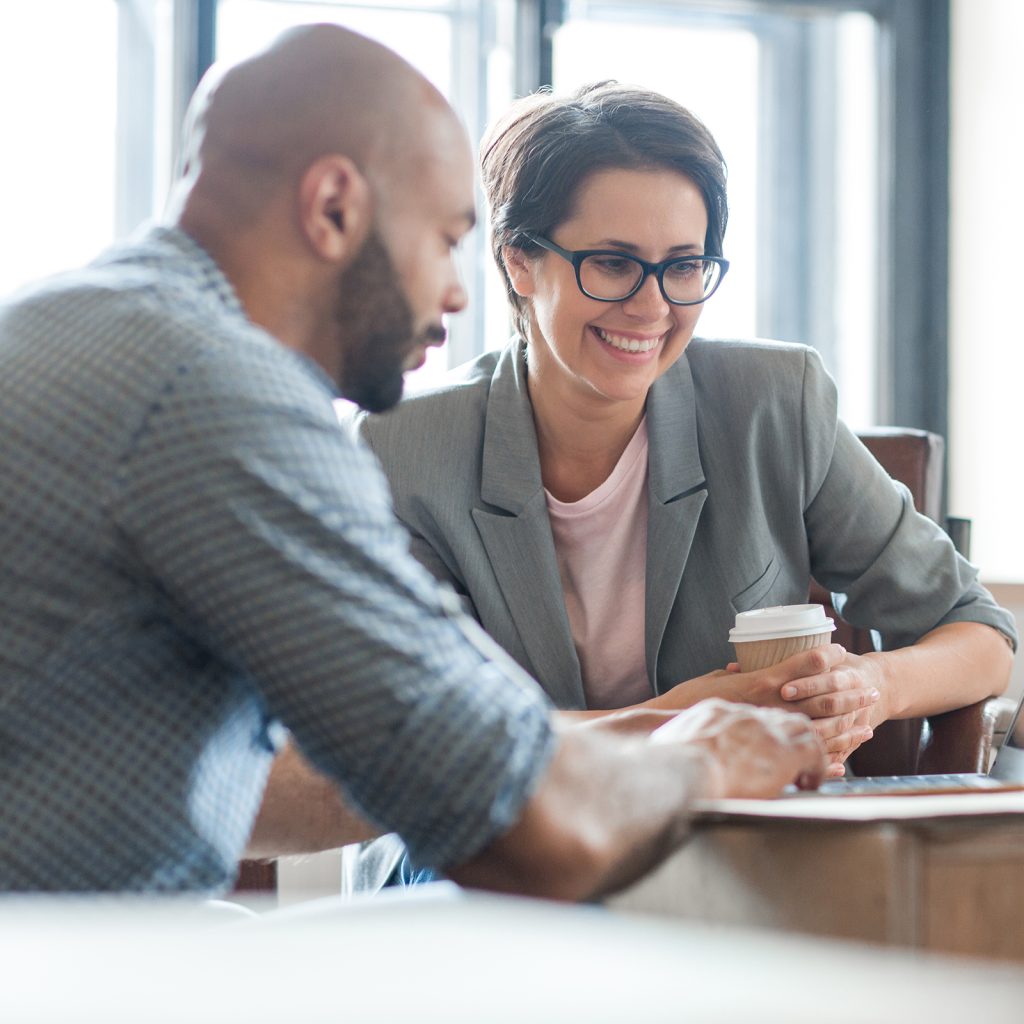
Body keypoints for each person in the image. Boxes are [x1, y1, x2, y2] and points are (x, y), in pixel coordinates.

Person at [0, 28, 828, 897]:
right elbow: (527, 835)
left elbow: (300, 786)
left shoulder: (71, 322)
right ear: (333, 208)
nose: (459, 292)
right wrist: (700, 758)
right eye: (443, 238)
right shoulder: (217, 393)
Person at [352, 81, 1017, 887]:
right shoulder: (404, 449)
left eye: (684, 267)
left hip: (731, 846)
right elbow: (431, 743)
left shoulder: (773, 403)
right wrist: (687, 720)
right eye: (613, 263)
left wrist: (869, 686)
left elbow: (977, 631)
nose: (652, 306)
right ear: (519, 260)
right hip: (488, 845)